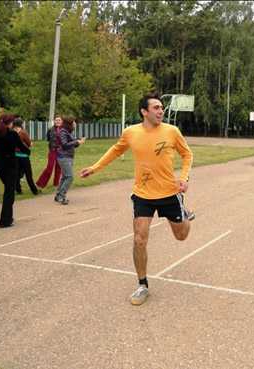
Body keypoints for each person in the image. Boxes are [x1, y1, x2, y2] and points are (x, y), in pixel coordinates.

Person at [80, 92, 194, 306]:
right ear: (144, 111)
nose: (161, 111)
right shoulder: (130, 132)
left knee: (181, 236)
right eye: (156, 108)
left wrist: (184, 178)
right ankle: (142, 285)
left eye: (161, 107)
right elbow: (115, 151)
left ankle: (185, 213)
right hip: (143, 194)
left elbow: (187, 154)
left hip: (170, 193)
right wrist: (95, 168)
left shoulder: (172, 131)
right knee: (139, 239)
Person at [0, 114, 30, 228]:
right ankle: (5, 219)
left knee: (8, 190)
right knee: (9, 193)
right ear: (10, 123)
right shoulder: (12, 134)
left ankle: (7, 217)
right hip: (10, 164)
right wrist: (28, 151)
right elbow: (21, 146)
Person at [54, 117, 85, 205]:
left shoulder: (67, 132)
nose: (75, 124)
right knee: (70, 177)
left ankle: (58, 195)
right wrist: (76, 142)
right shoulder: (63, 132)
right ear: (69, 124)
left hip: (68, 157)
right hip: (64, 157)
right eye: (74, 123)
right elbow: (64, 145)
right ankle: (61, 196)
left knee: (65, 177)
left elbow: (71, 145)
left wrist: (78, 142)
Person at [13, 117, 39, 195]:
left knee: (16, 174)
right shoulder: (23, 132)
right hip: (23, 156)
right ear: (21, 123)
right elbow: (29, 143)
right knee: (28, 174)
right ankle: (34, 190)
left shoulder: (11, 132)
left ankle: (18, 190)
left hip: (15, 156)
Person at [36, 115, 63, 189]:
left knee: (59, 168)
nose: (58, 121)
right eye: (56, 120)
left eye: (59, 120)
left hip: (61, 152)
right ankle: (40, 183)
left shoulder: (64, 130)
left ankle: (56, 184)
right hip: (53, 151)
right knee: (49, 168)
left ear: (62, 121)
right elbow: (48, 139)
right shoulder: (50, 129)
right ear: (54, 121)